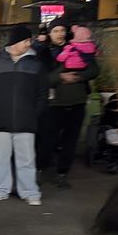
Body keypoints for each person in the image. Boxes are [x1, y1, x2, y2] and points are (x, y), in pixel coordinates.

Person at [0, 25, 48, 206]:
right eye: (25, 40)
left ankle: (30, 191)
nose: (28, 44)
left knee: (27, 160)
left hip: (26, 122)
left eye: (28, 40)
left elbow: (42, 94)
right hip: (0, 122)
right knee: (0, 159)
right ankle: (1, 189)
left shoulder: (36, 66)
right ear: (15, 42)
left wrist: (34, 114)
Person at [36, 17, 99, 188]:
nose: (59, 34)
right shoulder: (44, 52)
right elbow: (41, 78)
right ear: (49, 33)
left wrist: (79, 76)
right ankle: (39, 169)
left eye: (62, 30)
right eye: (55, 31)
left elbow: (94, 69)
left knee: (70, 141)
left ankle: (62, 173)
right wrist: (61, 75)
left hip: (77, 102)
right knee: (47, 140)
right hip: (54, 104)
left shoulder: (80, 47)